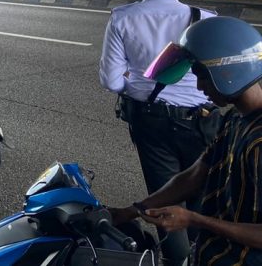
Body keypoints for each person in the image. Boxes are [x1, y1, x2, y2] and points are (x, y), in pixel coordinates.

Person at [99, 0, 220, 264]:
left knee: (165, 194)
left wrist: (138, 87)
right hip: (203, 119)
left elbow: (112, 81)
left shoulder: (123, 18)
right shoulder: (206, 18)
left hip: (151, 120)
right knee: (203, 196)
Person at [112, 16, 262, 265]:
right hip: (209, 255)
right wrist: (134, 210)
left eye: (203, 76)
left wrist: (194, 219)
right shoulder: (235, 118)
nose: (200, 87)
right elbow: (196, 174)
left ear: (230, 69)